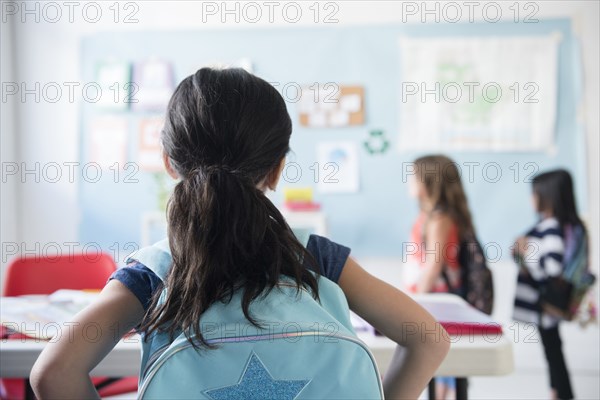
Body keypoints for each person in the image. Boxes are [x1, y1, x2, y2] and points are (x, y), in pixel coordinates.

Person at [30, 67, 449, 399]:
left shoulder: (152, 273)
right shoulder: (317, 258)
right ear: (278, 168)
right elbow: (429, 340)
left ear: (170, 163)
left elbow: (53, 373)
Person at [406, 155, 477, 400]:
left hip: (437, 300)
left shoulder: (440, 219)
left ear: (428, 183)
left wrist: (414, 300)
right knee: (441, 369)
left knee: (443, 369)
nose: (409, 182)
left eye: (413, 176)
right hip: (436, 300)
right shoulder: (434, 216)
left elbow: (434, 264)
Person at [513, 169, 584, 400]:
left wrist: (526, 253)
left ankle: (561, 393)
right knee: (553, 350)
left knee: (552, 351)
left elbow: (552, 267)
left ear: (548, 196)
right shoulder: (556, 225)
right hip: (545, 306)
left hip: (544, 306)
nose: (531, 199)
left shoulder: (551, 227)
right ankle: (558, 392)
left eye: (534, 193)